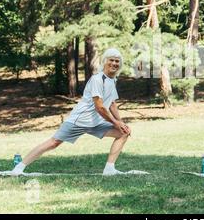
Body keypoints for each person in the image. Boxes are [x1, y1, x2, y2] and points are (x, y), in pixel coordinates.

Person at [11, 48, 131, 176]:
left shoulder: (112, 79)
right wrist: (115, 122)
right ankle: (19, 168)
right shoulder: (98, 79)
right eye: (111, 60)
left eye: (117, 61)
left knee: (123, 132)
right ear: (105, 62)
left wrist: (121, 123)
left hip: (96, 122)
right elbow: (100, 107)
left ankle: (109, 169)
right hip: (79, 120)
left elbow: (112, 103)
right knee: (54, 143)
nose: (114, 63)